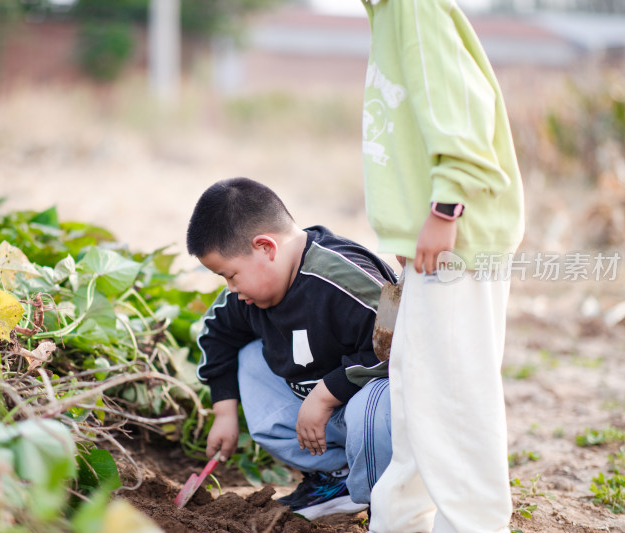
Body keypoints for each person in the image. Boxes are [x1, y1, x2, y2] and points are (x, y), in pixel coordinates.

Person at [360, 1, 526, 533]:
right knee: (417, 400)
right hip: (433, 246)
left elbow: (460, 111)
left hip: (455, 246)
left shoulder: (414, 6)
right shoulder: (387, 11)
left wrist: (444, 209)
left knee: (454, 408)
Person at [186, 177, 398, 520]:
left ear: (266, 247)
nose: (232, 288)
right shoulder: (248, 296)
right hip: (323, 416)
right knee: (248, 357)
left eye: (231, 275)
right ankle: (339, 480)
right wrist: (224, 413)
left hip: (378, 418)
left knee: (376, 402)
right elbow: (217, 336)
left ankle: (384, 500)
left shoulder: (342, 278)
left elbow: (397, 344)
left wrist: (326, 394)